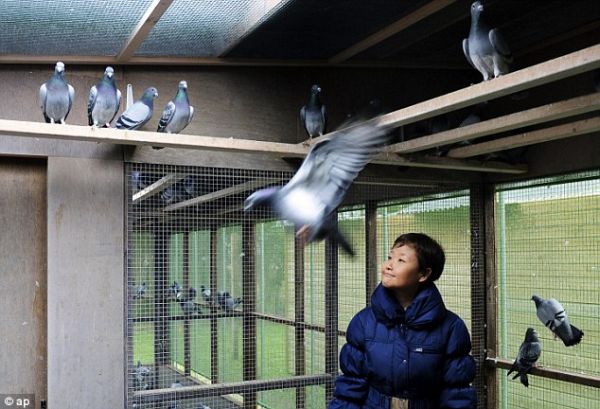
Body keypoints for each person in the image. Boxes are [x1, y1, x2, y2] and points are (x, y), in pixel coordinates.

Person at [329, 233, 476, 409]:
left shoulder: (451, 327)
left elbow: (456, 394)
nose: (388, 266)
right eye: (390, 257)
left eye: (401, 260)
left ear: (423, 274)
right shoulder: (364, 322)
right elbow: (350, 388)